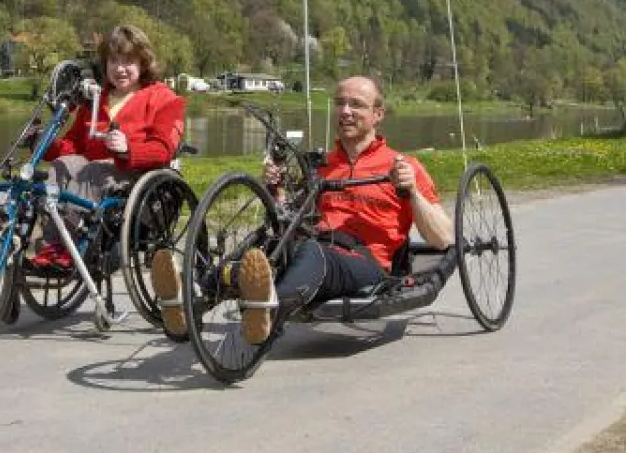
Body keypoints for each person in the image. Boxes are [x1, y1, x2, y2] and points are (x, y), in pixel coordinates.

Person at [152, 75, 454, 343]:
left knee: (312, 251)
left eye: (356, 105)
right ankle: (192, 300)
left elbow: (443, 238)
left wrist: (412, 190)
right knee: (265, 244)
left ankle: (269, 312)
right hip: (310, 246)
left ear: (378, 114)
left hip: (365, 262)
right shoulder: (320, 167)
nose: (345, 111)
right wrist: (278, 189)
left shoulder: (402, 165)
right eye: (340, 103)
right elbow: (289, 219)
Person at [29, 24, 186, 270]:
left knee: (93, 171)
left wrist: (128, 149)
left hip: (137, 179)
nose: (120, 69)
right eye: (114, 61)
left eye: (128, 61)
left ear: (143, 63)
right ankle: (52, 245)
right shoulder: (97, 99)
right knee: (61, 166)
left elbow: (164, 149)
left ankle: (69, 244)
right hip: (97, 179)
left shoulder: (164, 98)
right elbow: (74, 147)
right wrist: (44, 144)